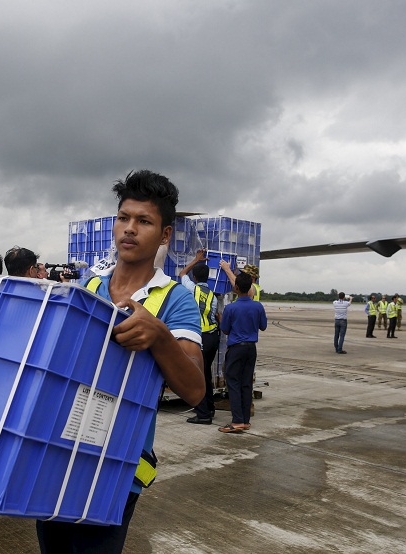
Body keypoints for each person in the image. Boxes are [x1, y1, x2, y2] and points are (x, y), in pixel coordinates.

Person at [36, 170, 204, 554]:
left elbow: (195, 390)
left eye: (144, 221)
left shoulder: (175, 300)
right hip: (58, 452)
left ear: (164, 235)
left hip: (115, 465)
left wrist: (159, 336)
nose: (129, 229)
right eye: (123, 218)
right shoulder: (86, 289)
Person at [218, 271, 267, 433]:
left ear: (236, 287)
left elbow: (225, 330)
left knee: (233, 383)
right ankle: (245, 419)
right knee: (246, 383)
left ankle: (237, 420)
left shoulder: (231, 308)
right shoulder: (257, 306)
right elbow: (263, 326)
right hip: (251, 348)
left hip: (236, 348)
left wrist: (222, 320)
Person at [180, 249, 221, 425]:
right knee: (206, 374)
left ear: (195, 278)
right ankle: (210, 409)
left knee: (197, 375)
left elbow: (182, 273)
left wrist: (196, 259)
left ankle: (203, 414)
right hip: (213, 337)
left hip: (199, 338)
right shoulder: (213, 295)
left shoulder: (192, 289)